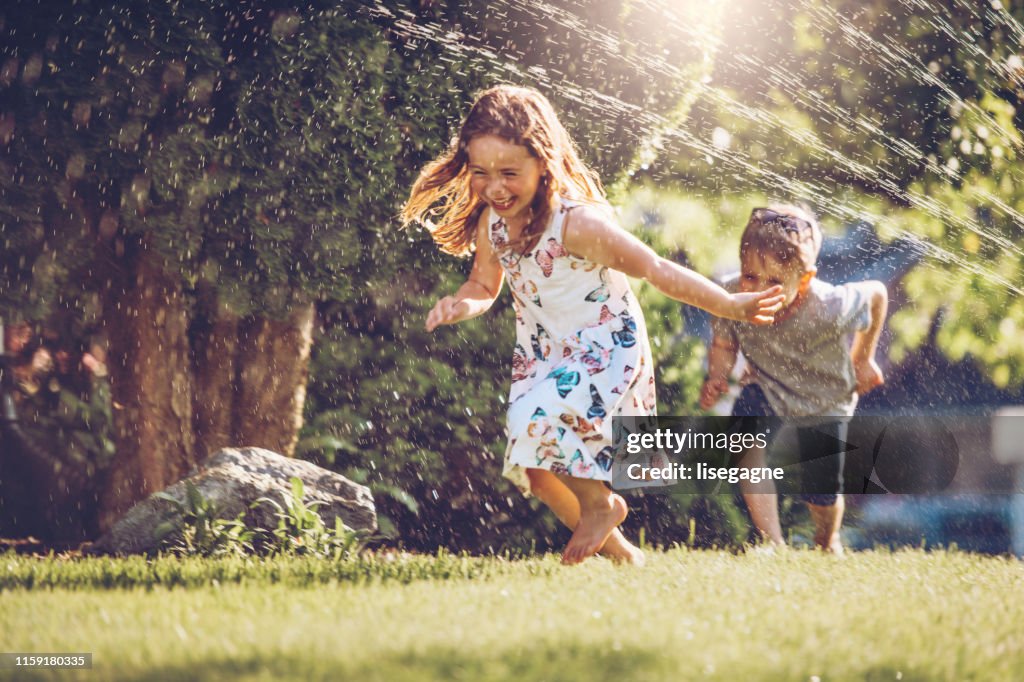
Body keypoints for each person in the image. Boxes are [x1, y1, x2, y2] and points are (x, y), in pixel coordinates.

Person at [402, 85, 785, 565]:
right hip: (545, 354)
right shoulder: (493, 225)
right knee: (535, 470)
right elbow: (483, 284)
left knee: (532, 423)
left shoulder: (577, 224)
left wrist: (729, 304)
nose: (494, 187)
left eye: (509, 173)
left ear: (543, 163)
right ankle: (624, 556)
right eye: (480, 173)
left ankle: (602, 505)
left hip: (604, 346)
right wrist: (462, 304)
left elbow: (655, 269)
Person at [699, 205, 888, 554]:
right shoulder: (731, 298)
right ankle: (772, 543)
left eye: (774, 282)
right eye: (750, 276)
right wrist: (718, 374)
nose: (758, 289)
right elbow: (724, 342)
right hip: (766, 385)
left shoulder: (831, 304)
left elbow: (877, 292)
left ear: (803, 280)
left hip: (824, 397)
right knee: (744, 444)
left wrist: (863, 359)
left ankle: (826, 541)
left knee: (821, 493)